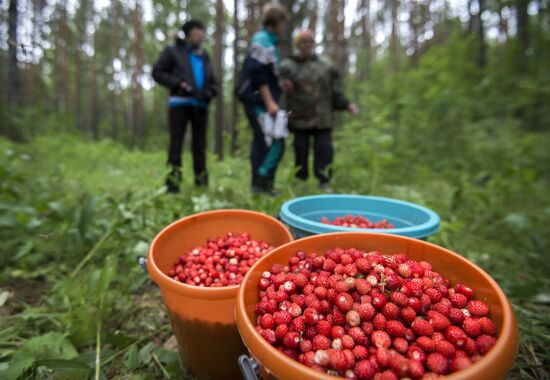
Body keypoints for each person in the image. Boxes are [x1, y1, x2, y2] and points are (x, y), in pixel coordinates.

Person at [280, 29, 359, 191]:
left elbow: (335, 91)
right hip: (297, 117)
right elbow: (280, 82)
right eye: (303, 41)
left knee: (324, 150)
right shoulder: (288, 65)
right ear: (298, 45)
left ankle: (324, 182)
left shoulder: (326, 66)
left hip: (323, 118)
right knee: (300, 149)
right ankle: (300, 182)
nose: (307, 44)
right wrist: (284, 85)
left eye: (310, 41)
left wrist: (347, 104)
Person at [152, 20, 218, 194]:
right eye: (196, 31)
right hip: (179, 105)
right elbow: (157, 72)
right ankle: (173, 185)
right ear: (188, 34)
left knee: (200, 146)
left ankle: (201, 184)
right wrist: (178, 84)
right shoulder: (173, 51)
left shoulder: (205, 56)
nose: (199, 35)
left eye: (201, 31)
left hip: (201, 106)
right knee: (176, 145)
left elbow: (213, 82)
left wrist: (211, 92)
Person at [237, 3, 288, 195]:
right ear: (276, 21)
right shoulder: (261, 39)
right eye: (283, 22)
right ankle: (260, 184)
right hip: (258, 102)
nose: (284, 27)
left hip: (265, 100)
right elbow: (258, 73)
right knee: (269, 142)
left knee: (269, 141)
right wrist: (270, 102)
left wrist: (280, 86)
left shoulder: (270, 42)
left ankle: (264, 185)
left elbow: (267, 73)